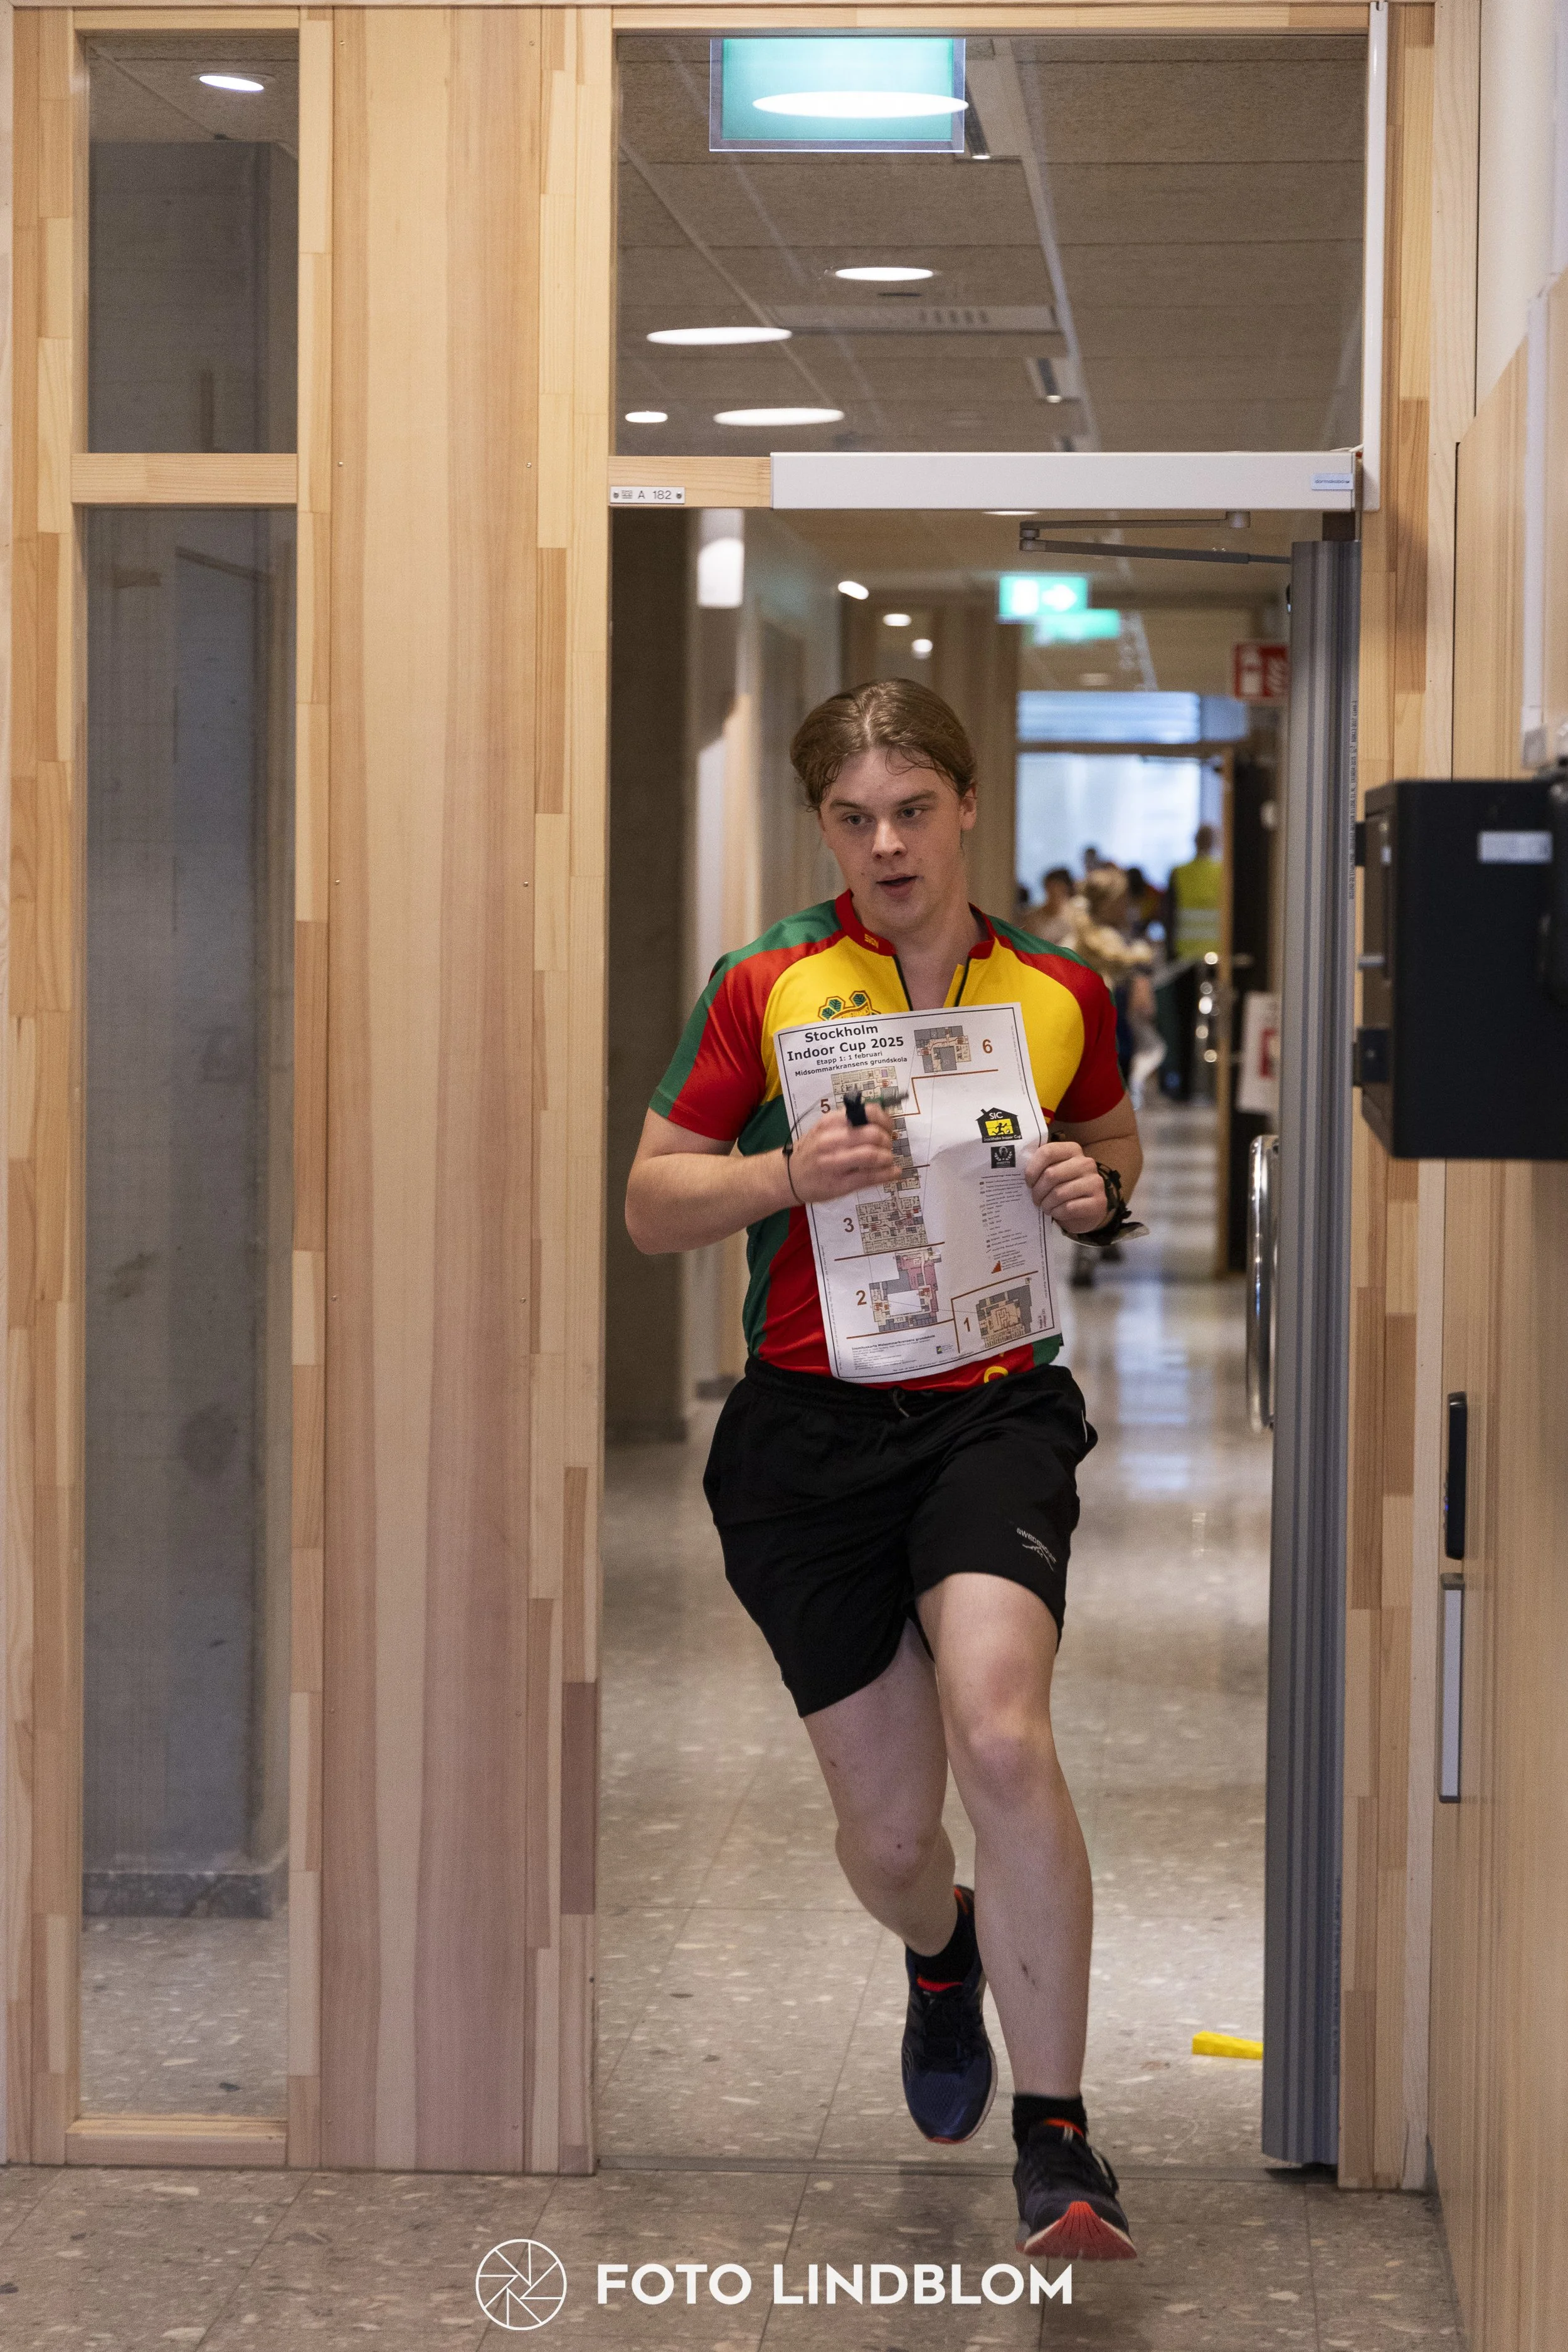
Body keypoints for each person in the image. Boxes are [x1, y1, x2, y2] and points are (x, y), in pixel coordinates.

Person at [626, 679, 1143, 2263]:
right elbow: (652, 1200)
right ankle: (945, 1957)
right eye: (853, 817)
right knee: (902, 1841)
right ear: (825, 828)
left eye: (912, 808)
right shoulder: (767, 981)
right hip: (805, 1430)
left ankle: (1057, 2139)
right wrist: (786, 1168)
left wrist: (1086, 1186)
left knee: (1000, 1724)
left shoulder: (1055, 990)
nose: (885, 843)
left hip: (990, 1406)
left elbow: (1110, 1155)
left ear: (965, 805)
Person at [1022, 864, 1076, 946]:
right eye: (1050, 889)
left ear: (1066, 889)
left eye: (1059, 888)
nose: (1055, 892)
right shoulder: (1032, 917)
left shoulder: (1076, 917)